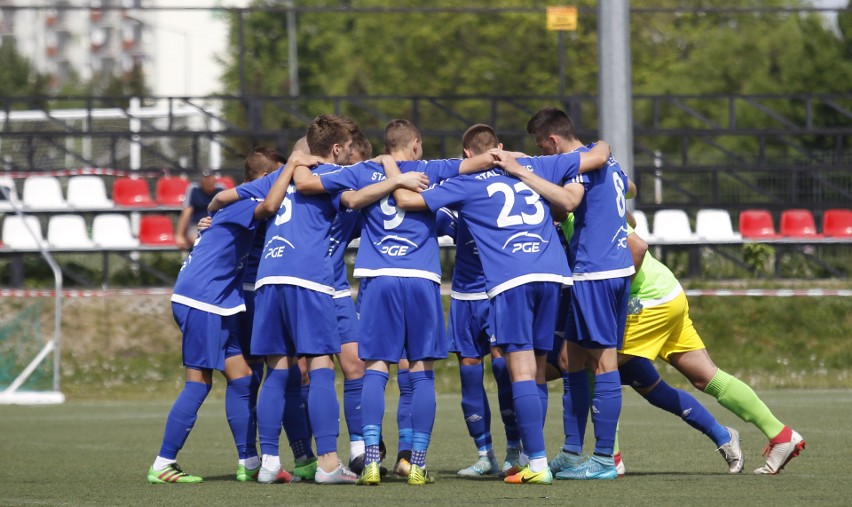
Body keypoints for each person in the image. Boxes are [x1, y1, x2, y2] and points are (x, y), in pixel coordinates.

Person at [388, 123, 611, 486]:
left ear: (467, 156)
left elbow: (406, 201)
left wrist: (388, 172)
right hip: (554, 275)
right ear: (501, 149)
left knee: (520, 371)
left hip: (511, 279)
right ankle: (526, 456)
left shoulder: (468, 184)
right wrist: (599, 141)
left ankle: (535, 462)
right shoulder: (537, 166)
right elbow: (599, 154)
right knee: (537, 371)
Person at [217, 115, 429, 485]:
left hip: (269, 277)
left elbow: (223, 198)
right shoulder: (330, 176)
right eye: (348, 150)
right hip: (309, 279)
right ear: (334, 150)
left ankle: (269, 461)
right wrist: (394, 177)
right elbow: (354, 196)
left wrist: (210, 218)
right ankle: (329, 463)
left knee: (277, 369)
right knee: (320, 368)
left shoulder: (277, 178)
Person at [295, 119, 497, 486]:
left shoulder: (362, 171)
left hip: (378, 279)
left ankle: (370, 459)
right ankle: (416, 463)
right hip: (421, 281)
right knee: (421, 373)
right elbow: (479, 162)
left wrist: (302, 161)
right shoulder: (430, 169)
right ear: (416, 143)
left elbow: (308, 182)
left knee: (375, 369)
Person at [146, 148, 320, 484]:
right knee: (199, 383)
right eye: (283, 174)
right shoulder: (245, 202)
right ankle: (163, 462)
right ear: (268, 177)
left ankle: (250, 461)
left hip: (219, 302)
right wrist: (296, 165)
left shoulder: (230, 206)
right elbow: (269, 206)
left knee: (241, 378)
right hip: (203, 301)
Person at [618, 220, 805, 475]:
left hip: (647, 300)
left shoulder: (575, 204)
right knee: (706, 376)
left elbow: (637, 245)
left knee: (598, 366)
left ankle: (609, 457)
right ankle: (781, 434)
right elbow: (630, 209)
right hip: (667, 292)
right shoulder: (584, 197)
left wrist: (615, 294)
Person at [511, 108, 633, 480]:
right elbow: (627, 188)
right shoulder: (603, 156)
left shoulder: (574, 164)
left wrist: (521, 172)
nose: (543, 156)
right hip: (611, 266)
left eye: (541, 149)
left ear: (553, 142)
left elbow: (568, 201)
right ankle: (570, 451)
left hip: (597, 270)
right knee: (570, 358)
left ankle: (602, 459)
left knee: (604, 362)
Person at [176, 171, 224, 250]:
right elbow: (186, 212)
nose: (210, 187)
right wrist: (180, 235)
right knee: (201, 242)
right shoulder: (194, 189)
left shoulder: (221, 189)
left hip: (216, 225)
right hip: (196, 226)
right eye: (207, 183)